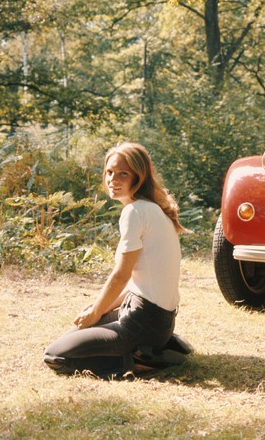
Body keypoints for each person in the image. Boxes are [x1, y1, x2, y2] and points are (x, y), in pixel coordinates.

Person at [44, 141, 187, 377]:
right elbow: (140, 283)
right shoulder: (153, 209)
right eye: (109, 172)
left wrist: (95, 313)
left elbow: (122, 275)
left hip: (142, 322)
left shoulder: (135, 212)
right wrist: (100, 309)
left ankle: (137, 362)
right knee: (74, 332)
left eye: (123, 174)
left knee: (55, 356)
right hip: (158, 321)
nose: (113, 179)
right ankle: (150, 350)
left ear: (139, 177)